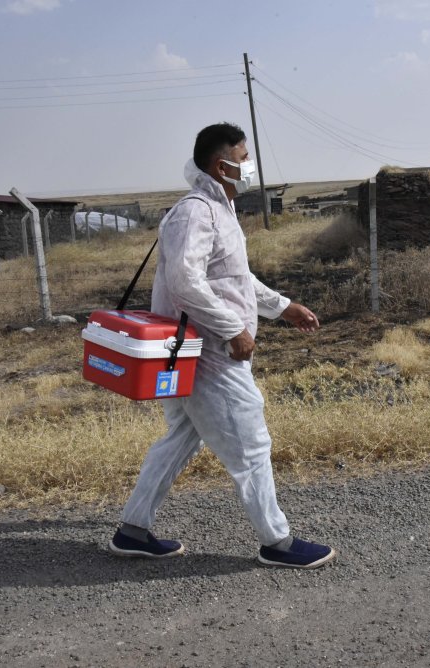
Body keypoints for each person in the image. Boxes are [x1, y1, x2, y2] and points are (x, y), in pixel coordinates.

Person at [108, 122, 336, 569]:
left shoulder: (220, 210)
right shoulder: (196, 211)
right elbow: (184, 280)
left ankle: (133, 530)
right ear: (222, 164)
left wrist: (282, 306)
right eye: (244, 158)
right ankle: (277, 541)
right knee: (251, 441)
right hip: (206, 350)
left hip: (197, 349)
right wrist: (233, 329)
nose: (249, 166)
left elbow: (233, 277)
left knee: (181, 438)